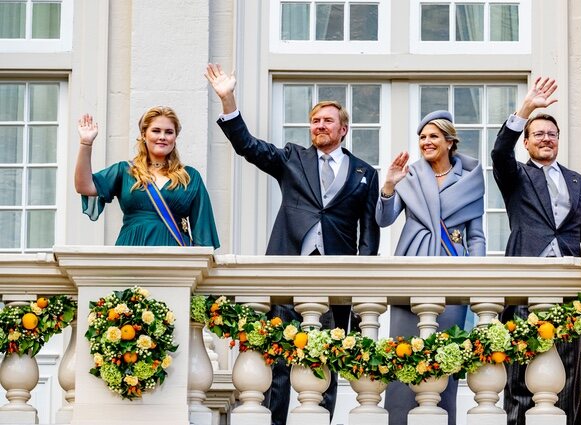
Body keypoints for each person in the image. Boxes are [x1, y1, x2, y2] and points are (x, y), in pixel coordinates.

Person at [204, 63, 380, 425]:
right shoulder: (292, 159)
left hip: (335, 283)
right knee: (279, 363)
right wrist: (228, 100)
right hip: (286, 278)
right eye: (315, 121)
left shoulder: (365, 173)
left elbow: (369, 234)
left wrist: (360, 285)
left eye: (327, 121)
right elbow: (248, 147)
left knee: (326, 362)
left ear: (343, 129)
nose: (319, 126)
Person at [491, 77, 581, 425]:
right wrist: (527, 109)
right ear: (526, 141)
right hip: (526, 288)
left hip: (569, 290)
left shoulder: (578, 182)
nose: (546, 139)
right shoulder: (516, 175)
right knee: (522, 373)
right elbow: (498, 151)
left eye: (551, 134)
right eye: (538, 134)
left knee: (568, 374)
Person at [376, 110, 485, 425]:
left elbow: (476, 236)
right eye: (422, 137)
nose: (426, 142)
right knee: (403, 355)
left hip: (450, 271)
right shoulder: (408, 176)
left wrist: (475, 274)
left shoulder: (469, 181)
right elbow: (384, 220)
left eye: (433, 136)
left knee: (444, 358)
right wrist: (388, 187)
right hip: (412, 265)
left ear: (450, 142)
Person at [74, 107, 220, 249]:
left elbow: (203, 235)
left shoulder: (189, 176)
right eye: (156, 131)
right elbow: (84, 186)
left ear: (175, 138)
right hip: (132, 249)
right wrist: (86, 143)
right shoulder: (125, 171)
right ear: (144, 134)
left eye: (169, 132)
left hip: (175, 255)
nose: (162, 137)